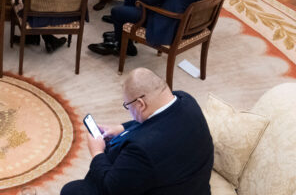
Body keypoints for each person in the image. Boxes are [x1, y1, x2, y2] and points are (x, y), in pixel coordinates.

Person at [61, 67, 214, 195]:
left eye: (128, 106)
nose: (129, 111)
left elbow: (111, 188)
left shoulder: (142, 149)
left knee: (71, 190)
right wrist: (121, 128)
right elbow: (155, 119)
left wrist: (97, 152)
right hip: (194, 184)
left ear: (140, 104)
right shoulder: (185, 99)